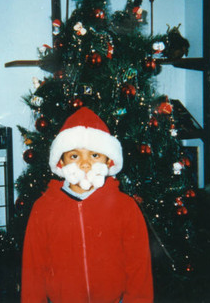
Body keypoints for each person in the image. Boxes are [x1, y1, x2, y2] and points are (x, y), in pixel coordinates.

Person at [21, 107, 153, 303]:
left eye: (94, 155)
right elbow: (33, 269)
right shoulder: (43, 208)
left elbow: (138, 266)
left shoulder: (125, 207)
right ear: (60, 163)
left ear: (109, 161)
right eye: (74, 156)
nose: (85, 164)